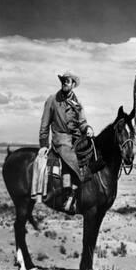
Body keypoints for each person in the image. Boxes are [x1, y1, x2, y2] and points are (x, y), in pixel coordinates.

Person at [39, 71, 94, 211]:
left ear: (73, 85)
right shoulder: (52, 100)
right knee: (70, 156)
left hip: (76, 139)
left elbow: (82, 123)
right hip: (60, 138)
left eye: (67, 81)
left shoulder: (78, 103)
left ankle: (88, 193)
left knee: (91, 150)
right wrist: (44, 144)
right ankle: (68, 196)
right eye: (63, 80)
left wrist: (87, 128)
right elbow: (44, 124)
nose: (64, 83)